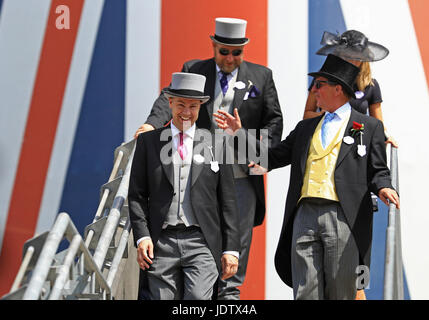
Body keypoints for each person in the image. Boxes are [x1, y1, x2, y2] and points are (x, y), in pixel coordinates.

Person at [216, 54, 400, 299]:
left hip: (343, 215)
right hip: (304, 215)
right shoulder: (305, 128)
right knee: (305, 291)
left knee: (340, 291)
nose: (313, 91)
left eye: (319, 84)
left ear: (338, 89)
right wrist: (239, 134)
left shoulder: (369, 126)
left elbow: (378, 169)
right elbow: (271, 157)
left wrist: (384, 187)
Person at [134, 17, 283, 300]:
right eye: (223, 51)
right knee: (197, 243)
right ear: (213, 45)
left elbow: (274, 122)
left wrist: (261, 154)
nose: (229, 58)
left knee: (233, 251)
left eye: (236, 52)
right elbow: (170, 100)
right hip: (198, 174)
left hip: (240, 175)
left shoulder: (262, 76)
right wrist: (152, 125)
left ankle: (228, 299)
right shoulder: (195, 69)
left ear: (244, 50)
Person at [128, 72, 240, 300]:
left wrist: (231, 249)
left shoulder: (217, 143)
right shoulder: (148, 143)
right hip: (161, 242)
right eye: (180, 105)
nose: (186, 112)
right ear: (170, 103)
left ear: (200, 107)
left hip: (202, 241)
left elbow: (228, 201)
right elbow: (137, 195)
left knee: (199, 299)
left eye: (193, 106)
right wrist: (142, 237)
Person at [303, 30, 398, 148]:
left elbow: (379, 124)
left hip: (355, 146)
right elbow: (307, 115)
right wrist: (325, 116)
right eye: (347, 56)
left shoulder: (371, 85)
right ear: (339, 56)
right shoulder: (322, 80)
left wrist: (387, 137)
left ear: (364, 59)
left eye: (357, 57)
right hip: (325, 141)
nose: (352, 61)